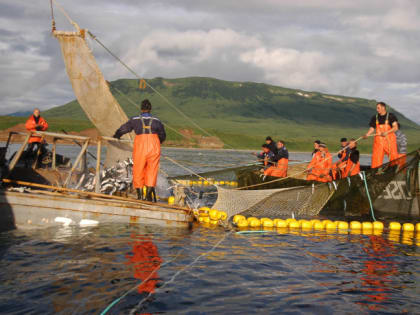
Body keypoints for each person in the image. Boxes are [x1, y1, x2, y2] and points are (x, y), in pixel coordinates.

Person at [113, 99, 166, 202]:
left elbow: (125, 128)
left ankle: (140, 197)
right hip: (154, 145)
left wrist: (117, 134)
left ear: (141, 109)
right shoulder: (157, 120)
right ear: (150, 109)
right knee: (152, 170)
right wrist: (159, 142)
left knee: (138, 169)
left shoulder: (135, 119)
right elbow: (163, 135)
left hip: (140, 145)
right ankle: (148, 197)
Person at [364, 102, 399, 168]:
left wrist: (387, 132)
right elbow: (372, 128)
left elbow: (395, 127)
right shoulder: (375, 117)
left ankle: (395, 170)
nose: (377, 109)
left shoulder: (391, 116)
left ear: (383, 108)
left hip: (389, 140)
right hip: (378, 142)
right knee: (376, 158)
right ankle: (376, 173)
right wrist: (367, 134)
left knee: (394, 157)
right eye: (377, 108)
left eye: (378, 108)